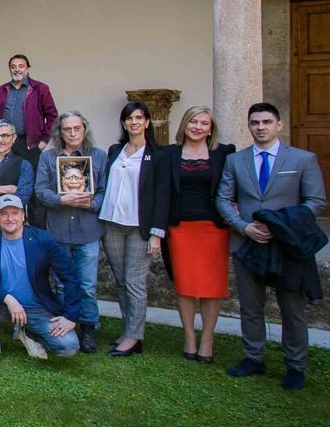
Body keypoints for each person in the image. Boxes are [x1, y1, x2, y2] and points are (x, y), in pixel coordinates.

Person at [217, 102, 327, 390]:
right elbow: (222, 199)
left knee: (292, 308)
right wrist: (244, 226)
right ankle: (253, 357)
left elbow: (315, 202)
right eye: (255, 122)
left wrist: (282, 225)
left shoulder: (303, 159)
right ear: (249, 126)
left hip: (287, 245)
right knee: (250, 307)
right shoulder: (236, 161)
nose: (261, 127)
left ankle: (295, 366)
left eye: (267, 122)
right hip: (248, 243)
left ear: (279, 125)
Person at [155, 106, 235, 363]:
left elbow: (236, 183)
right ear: (185, 125)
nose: (197, 127)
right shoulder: (169, 154)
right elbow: (161, 192)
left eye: (204, 123)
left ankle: (208, 339)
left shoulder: (224, 153)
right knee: (185, 285)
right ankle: (189, 337)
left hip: (214, 228)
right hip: (180, 228)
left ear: (211, 129)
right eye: (193, 121)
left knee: (212, 287)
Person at [0, 195, 81, 360]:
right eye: (4, 213)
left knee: (68, 346)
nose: (10, 218)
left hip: (36, 308)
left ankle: (29, 333)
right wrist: (8, 299)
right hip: (1, 304)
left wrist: (70, 315)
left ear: (23, 215)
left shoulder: (42, 239)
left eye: (14, 213)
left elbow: (70, 276)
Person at [98, 101, 166, 357]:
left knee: (135, 282)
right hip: (112, 224)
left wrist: (156, 233)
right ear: (124, 123)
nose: (134, 122)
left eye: (139, 118)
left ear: (147, 122)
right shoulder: (116, 150)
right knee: (121, 282)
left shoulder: (158, 155)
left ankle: (135, 337)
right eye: (129, 118)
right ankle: (128, 330)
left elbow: (162, 196)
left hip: (140, 227)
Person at [35, 111, 107, 353]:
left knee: (87, 284)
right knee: (63, 284)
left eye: (77, 128)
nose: (73, 133)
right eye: (67, 129)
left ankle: (88, 327)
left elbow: (105, 192)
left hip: (88, 230)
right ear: (59, 132)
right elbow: (41, 190)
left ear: (84, 129)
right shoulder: (48, 158)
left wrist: (92, 204)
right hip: (58, 231)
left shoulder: (98, 157)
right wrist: (61, 200)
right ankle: (67, 325)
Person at [0, 54, 57, 168]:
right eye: (13, 67)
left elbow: (53, 116)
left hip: (30, 144)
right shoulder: (2, 90)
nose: (17, 70)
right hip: (6, 143)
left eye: (21, 66)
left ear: (27, 69)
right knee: (7, 180)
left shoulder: (40, 88)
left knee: (30, 180)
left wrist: (43, 142)